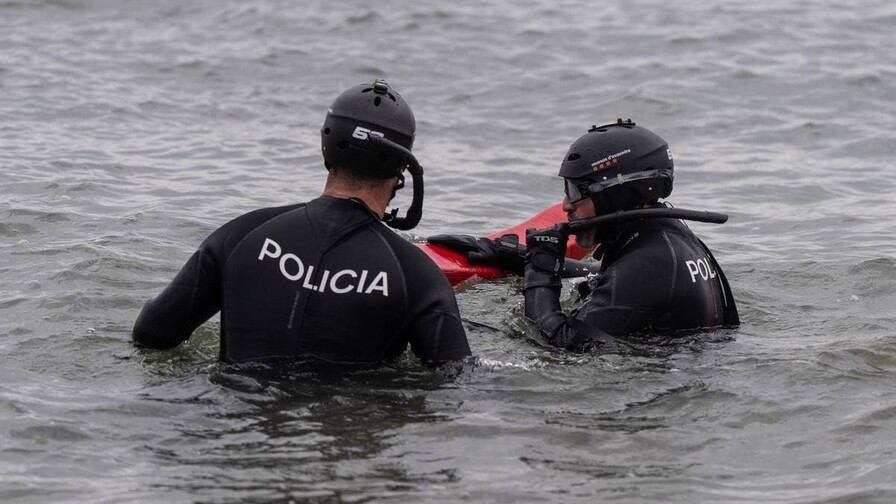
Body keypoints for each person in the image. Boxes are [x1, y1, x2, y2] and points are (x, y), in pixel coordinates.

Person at [133, 80, 472, 365]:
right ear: (401, 170)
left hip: (233, 413)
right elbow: (457, 382)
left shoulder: (241, 235)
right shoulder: (416, 276)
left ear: (327, 147)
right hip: (343, 422)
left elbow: (151, 334)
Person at [431, 119, 739, 351]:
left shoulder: (648, 263)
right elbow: (608, 278)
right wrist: (519, 258)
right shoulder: (666, 238)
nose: (566, 205)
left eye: (577, 191)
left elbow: (559, 344)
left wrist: (539, 273)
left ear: (617, 195)